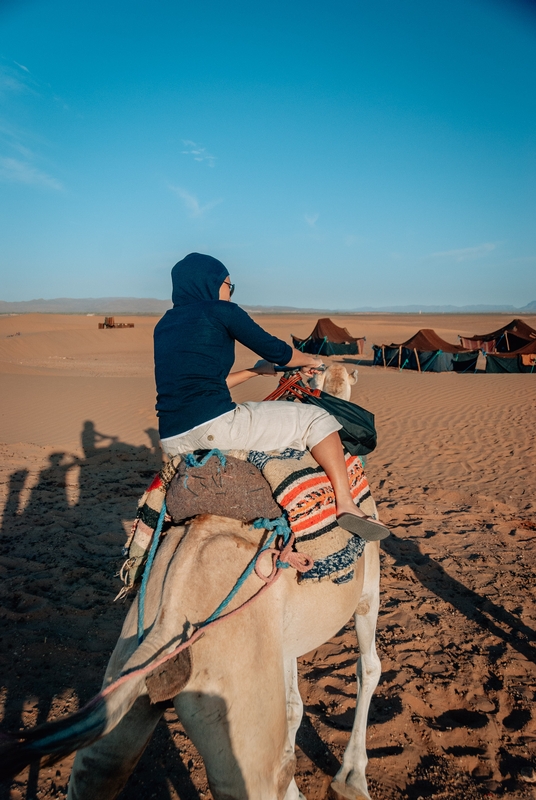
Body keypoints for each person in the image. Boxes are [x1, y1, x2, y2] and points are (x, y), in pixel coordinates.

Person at [154, 253, 389, 541]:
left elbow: (212, 382)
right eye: (229, 285)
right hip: (215, 428)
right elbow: (278, 350)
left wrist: (255, 372)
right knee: (318, 419)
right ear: (213, 283)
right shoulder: (221, 311)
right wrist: (308, 360)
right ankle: (346, 503)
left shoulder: (165, 325)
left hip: (172, 439)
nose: (230, 291)